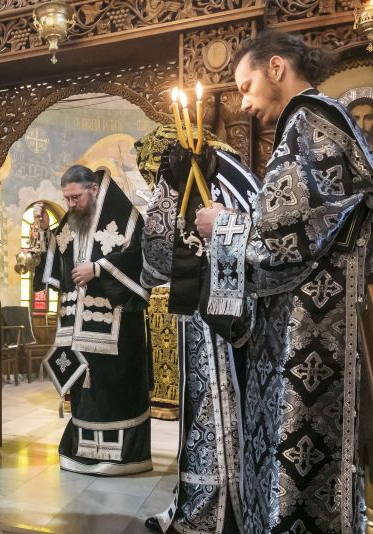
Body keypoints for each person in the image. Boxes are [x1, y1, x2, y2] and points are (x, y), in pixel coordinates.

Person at [193, 31, 373, 533]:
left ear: (276, 68)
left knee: (296, 454)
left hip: (312, 328)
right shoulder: (307, 125)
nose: (245, 103)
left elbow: (287, 234)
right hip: (298, 317)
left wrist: (222, 225)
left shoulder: (311, 123)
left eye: (246, 87)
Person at [136, 125, 260, 533]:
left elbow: (155, 250)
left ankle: (219, 509)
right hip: (233, 321)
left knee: (219, 410)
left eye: (156, 181)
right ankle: (219, 502)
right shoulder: (238, 177)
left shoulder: (198, 174)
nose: (158, 191)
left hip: (222, 328)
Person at [33, 164, 152, 476]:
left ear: (94, 190)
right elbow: (55, 262)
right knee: (84, 397)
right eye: (67, 199)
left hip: (117, 333)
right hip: (76, 333)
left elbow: (140, 260)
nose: (71, 205)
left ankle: (121, 458)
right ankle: (82, 453)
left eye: (76, 198)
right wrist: (46, 231)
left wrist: (98, 268)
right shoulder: (70, 224)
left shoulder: (126, 220)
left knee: (113, 394)